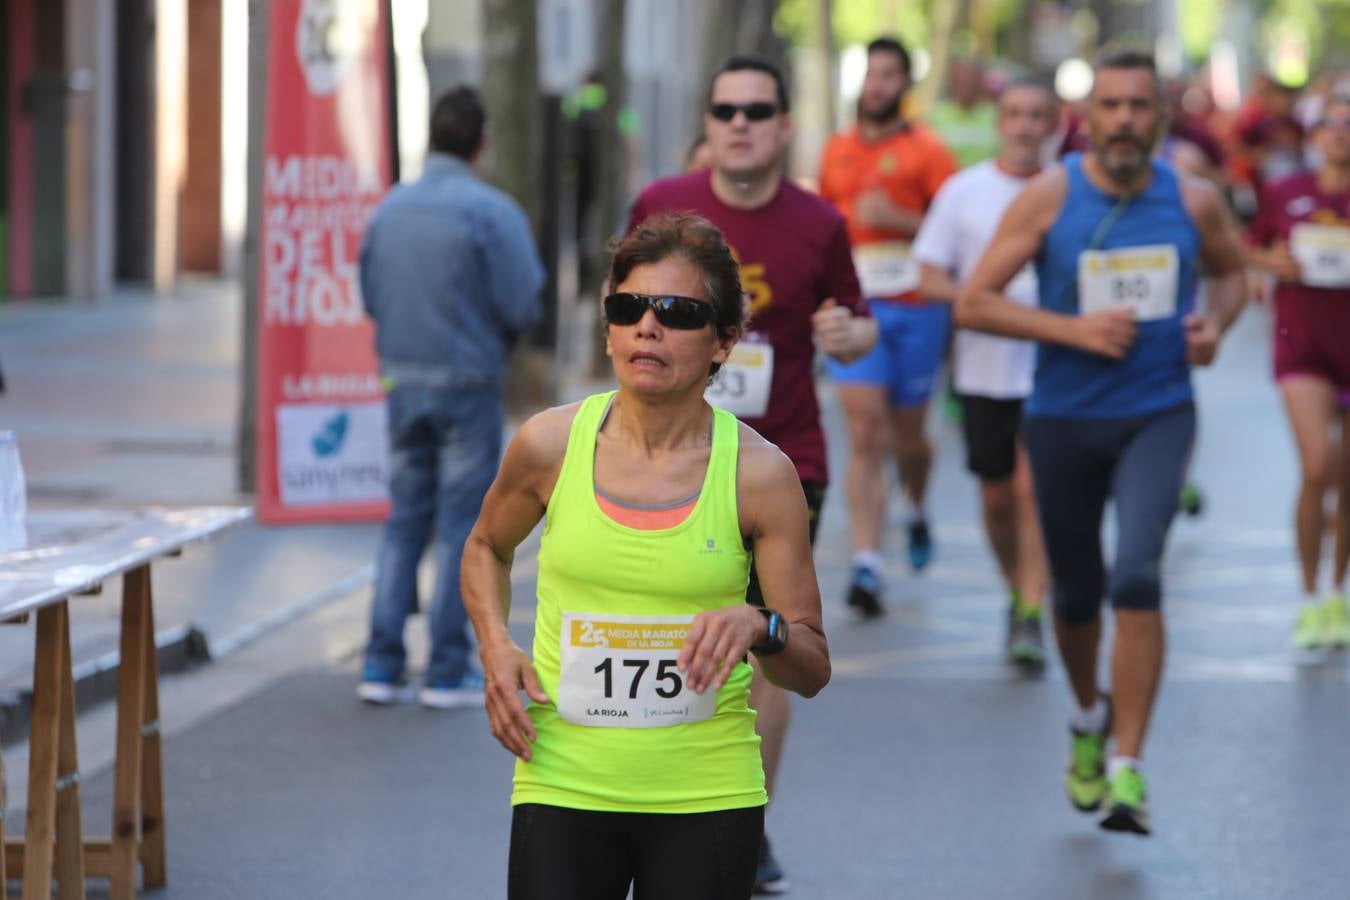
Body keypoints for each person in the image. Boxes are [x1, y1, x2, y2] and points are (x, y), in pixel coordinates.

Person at [461, 212, 831, 900]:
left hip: (707, 793)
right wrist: (494, 647)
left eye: (678, 312)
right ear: (609, 330)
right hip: (562, 780)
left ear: (724, 341)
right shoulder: (548, 445)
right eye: (627, 308)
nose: (647, 328)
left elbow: (810, 668)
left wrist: (760, 625)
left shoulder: (760, 475)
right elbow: (486, 546)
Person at [956, 50, 1248, 835]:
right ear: (1088, 119)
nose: (1124, 120)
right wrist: (1072, 330)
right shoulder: (1053, 196)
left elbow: (1232, 275)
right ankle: (1089, 716)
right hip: (1063, 420)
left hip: (1159, 413)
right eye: (1111, 106)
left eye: (1138, 106)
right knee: (1077, 595)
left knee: (1137, 576)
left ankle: (1128, 768)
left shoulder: (1193, 200)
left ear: (1161, 117)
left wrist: (1214, 326)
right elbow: (975, 302)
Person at [628, 55, 875, 894]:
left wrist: (849, 337)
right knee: (667, 631)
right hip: (668, 456)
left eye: (757, 110)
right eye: (726, 109)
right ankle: (651, 797)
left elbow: (860, 325)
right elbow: (619, 314)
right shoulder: (662, 206)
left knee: (765, 638)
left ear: (784, 125)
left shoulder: (819, 222)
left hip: (783, 461)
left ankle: (745, 820)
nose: (740, 123)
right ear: (708, 122)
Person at [356, 86, 545, 709]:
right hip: (467, 380)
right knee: (464, 527)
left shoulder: (389, 209)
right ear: (480, 143)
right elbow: (522, 300)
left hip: (402, 379)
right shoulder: (492, 212)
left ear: (431, 136)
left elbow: (370, 294)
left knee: (404, 520)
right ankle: (445, 668)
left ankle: (381, 663)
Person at [914, 77, 1058, 668]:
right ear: (1000, 123)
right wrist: (983, 301)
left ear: (1053, 125)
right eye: (1015, 114)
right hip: (984, 368)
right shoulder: (964, 191)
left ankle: (1032, 608)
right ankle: (1016, 588)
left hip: (1053, 367)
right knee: (998, 498)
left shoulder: (1068, 190)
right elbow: (927, 276)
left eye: (1037, 115)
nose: (1025, 126)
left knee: (1034, 491)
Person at [818, 36, 959, 616]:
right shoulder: (836, 150)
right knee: (865, 431)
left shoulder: (930, 152)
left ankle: (917, 505)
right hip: (857, 307)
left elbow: (955, 233)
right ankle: (868, 562)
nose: (876, 85)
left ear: (905, 84)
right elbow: (823, 226)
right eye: (870, 74)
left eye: (888, 75)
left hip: (918, 307)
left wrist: (900, 219)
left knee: (908, 437)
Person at [1246, 94, 1350, 650]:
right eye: (1331, 123)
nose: (1340, 133)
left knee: (1348, 480)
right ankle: (1309, 597)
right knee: (1316, 468)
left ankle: (1337, 593)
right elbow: (1248, 248)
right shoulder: (1286, 191)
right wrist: (1271, 263)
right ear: (1314, 133)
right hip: (1302, 346)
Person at [927, 57, 1001, 169]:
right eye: (961, 81)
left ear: (980, 83)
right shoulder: (935, 116)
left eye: (971, 81)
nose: (966, 87)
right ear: (952, 82)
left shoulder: (996, 116)